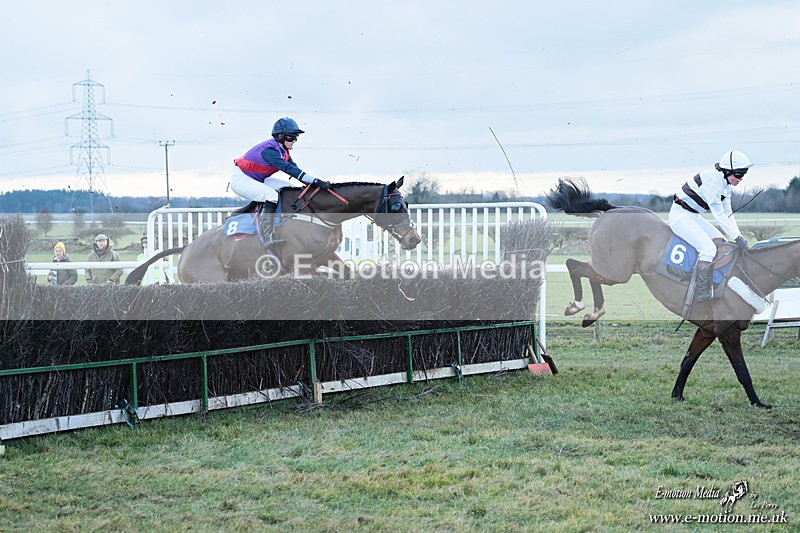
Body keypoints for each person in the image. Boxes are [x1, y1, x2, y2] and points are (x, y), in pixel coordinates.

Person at [668, 150, 752, 301]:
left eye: (743, 175)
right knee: (708, 248)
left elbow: (728, 214)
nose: (740, 179)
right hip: (680, 216)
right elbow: (718, 214)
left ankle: (713, 281)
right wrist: (736, 237)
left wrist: (738, 236)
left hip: (693, 216)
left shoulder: (725, 185)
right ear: (727, 171)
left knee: (720, 241)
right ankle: (701, 291)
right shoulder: (713, 180)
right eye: (738, 175)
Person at [231, 117, 332, 209]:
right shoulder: (270, 152)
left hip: (259, 179)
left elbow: (295, 170)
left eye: (296, 138)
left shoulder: (283, 151)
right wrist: (315, 181)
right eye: (291, 137)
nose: (294, 141)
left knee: (290, 189)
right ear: (280, 136)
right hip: (242, 181)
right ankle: (267, 228)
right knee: (271, 196)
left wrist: (313, 184)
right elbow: (289, 169)